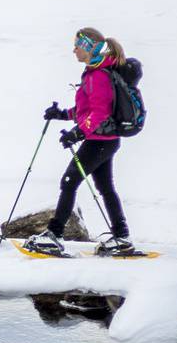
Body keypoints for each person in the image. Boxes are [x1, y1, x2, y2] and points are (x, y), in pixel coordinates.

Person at [25, 29, 140, 256]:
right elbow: (86, 110)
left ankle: (54, 235)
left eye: (78, 45)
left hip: (99, 142)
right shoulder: (94, 72)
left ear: (89, 47)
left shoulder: (98, 75)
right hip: (104, 140)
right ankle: (122, 237)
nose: (74, 49)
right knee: (105, 188)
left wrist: (77, 133)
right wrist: (61, 114)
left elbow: (100, 113)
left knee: (69, 182)